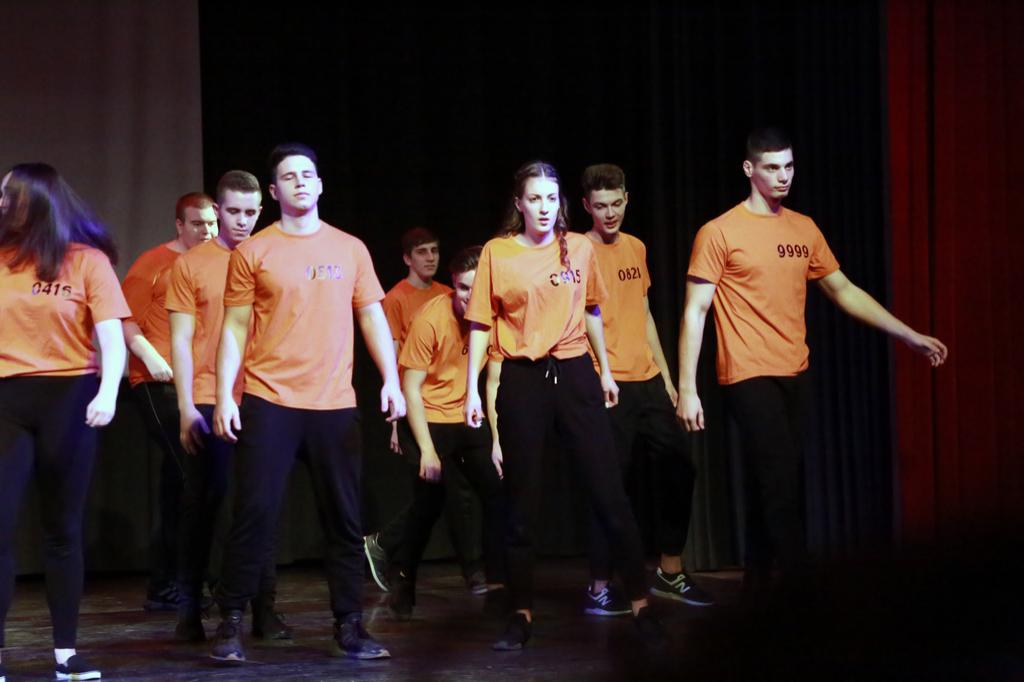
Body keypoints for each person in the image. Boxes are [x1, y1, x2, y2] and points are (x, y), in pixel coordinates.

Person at [677, 128, 948, 594]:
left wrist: (908, 335)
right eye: (772, 168)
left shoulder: (804, 228)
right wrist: (687, 388)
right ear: (749, 169)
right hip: (747, 372)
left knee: (773, 480)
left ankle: (757, 582)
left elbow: (843, 290)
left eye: (789, 166)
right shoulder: (719, 232)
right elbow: (695, 311)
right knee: (780, 481)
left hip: (795, 370)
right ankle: (803, 591)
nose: (783, 176)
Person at [209, 143, 405, 662]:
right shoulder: (254, 252)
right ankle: (231, 621)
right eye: (289, 176)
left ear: (319, 185)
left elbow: (372, 316)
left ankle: (350, 625)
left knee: (343, 518)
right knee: (254, 513)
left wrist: (390, 379)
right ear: (274, 192)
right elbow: (234, 328)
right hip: (269, 398)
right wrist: (226, 396)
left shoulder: (350, 248)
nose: (300, 181)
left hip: (333, 402)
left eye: (307, 174)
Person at [463, 161, 665, 651]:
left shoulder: (578, 247)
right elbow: (481, 324)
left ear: (561, 203)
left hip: (575, 373)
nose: (544, 207)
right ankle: (521, 613)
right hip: (523, 378)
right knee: (521, 503)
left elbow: (592, 308)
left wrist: (605, 370)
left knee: (609, 493)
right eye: (534, 199)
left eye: (551, 199)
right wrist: (471, 389)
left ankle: (642, 606)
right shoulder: (498, 252)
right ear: (519, 203)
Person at [0, 163, 129, 681]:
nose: (0, 201)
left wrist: (108, 393)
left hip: (70, 398)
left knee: (62, 529)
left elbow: (112, 337)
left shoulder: (86, 261)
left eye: (7, 193)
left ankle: (65, 655)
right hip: (6, 399)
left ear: (34, 200)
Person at [580, 163, 713, 615]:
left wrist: (669, 379)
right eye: (601, 206)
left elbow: (645, 311)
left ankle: (670, 572)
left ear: (627, 199)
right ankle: (600, 584)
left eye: (616, 203)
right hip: (606, 382)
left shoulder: (636, 246)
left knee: (680, 466)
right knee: (609, 483)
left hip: (649, 380)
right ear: (586, 206)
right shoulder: (576, 250)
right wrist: (597, 374)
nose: (610, 213)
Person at [166, 171, 290, 642]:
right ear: (217, 211)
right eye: (233, 211)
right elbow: (180, 340)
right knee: (204, 504)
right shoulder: (191, 264)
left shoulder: (270, 257)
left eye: (250, 212)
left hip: (259, 394)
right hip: (205, 393)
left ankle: (264, 610)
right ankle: (190, 610)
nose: (242, 220)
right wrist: (185, 406)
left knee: (260, 505)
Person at [386, 245, 507, 620]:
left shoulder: (494, 318)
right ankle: (403, 578)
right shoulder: (431, 318)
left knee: (497, 493)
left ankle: (499, 582)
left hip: (465, 415)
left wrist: (497, 441)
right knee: (427, 506)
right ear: (453, 286)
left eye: (476, 287)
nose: (469, 296)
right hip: (428, 416)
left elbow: (493, 383)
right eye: (463, 288)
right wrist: (426, 450)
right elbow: (410, 389)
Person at [364, 227, 487, 596]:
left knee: (446, 496)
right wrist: (395, 418)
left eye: (434, 250)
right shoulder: (399, 300)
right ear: (407, 258)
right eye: (421, 252)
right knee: (443, 494)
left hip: (455, 409)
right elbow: (396, 362)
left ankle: (385, 545)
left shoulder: (452, 293)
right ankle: (470, 571)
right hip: (420, 405)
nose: (430, 257)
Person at [121, 192, 217, 612]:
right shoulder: (154, 263)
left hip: (197, 382)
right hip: (156, 381)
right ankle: (200, 580)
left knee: (179, 483)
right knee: (192, 474)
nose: (206, 231)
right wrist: (152, 358)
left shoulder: (216, 263)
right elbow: (124, 320)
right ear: (180, 225)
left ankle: (166, 584)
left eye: (211, 223)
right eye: (198, 223)